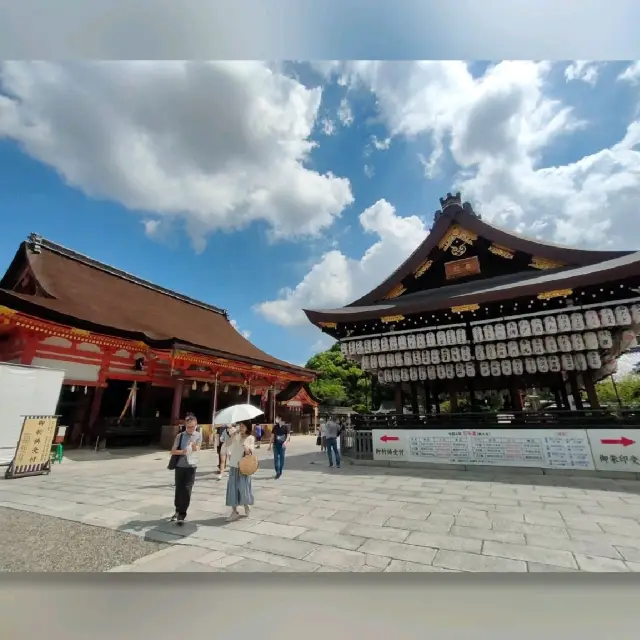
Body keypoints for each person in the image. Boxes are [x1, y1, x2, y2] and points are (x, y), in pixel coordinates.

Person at [170, 413, 202, 525]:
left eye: (193, 427)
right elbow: (173, 451)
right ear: (185, 425)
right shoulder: (180, 436)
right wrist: (183, 451)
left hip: (191, 466)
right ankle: (177, 510)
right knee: (179, 489)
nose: (190, 429)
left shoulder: (198, 435)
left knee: (187, 489)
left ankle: (182, 514)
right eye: (188, 427)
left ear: (196, 425)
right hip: (180, 466)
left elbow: (198, 448)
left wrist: (194, 447)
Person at [225, 421, 255, 521]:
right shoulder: (236, 436)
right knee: (233, 488)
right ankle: (234, 511)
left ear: (248, 427)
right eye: (240, 426)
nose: (241, 428)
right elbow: (227, 444)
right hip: (234, 465)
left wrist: (244, 444)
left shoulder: (250, 438)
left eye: (243, 426)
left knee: (243, 488)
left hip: (244, 467)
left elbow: (250, 452)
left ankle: (246, 505)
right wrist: (232, 435)